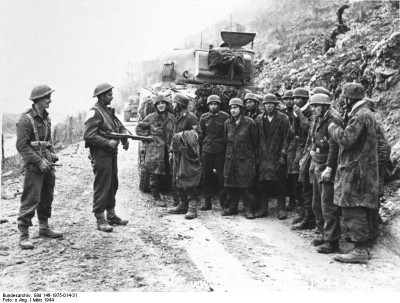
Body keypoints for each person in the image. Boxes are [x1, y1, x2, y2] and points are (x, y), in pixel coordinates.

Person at [329, 83, 379, 264]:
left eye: (345, 99)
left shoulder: (360, 115)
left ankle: (360, 250)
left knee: (352, 207)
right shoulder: (365, 113)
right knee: (358, 206)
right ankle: (362, 247)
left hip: (356, 170)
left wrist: (332, 128)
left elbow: (346, 139)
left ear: (349, 99)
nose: (344, 102)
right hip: (362, 168)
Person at [16, 84, 63, 249]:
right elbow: (22, 146)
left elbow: (47, 142)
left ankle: (43, 227)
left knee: (46, 196)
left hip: (48, 164)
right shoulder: (25, 120)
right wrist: (39, 161)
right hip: (34, 166)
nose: (50, 100)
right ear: (37, 100)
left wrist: (52, 154)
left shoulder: (46, 118)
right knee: (31, 198)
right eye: (46, 97)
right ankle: (23, 235)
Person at [83, 83, 129, 232]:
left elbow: (119, 125)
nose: (112, 97)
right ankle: (100, 218)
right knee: (102, 185)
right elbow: (89, 135)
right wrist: (107, 142)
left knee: (112, 184)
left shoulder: (108, 111)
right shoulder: (94, 112)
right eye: (109, 94)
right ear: (101, 96)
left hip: (111, 153)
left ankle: (111, 215)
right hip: (101, 154)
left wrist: (124, 136)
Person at [308, 93, 343, 253]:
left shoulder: (333, 120)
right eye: (313, 106)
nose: (313, 108)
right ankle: (323, 233)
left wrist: (329, 168)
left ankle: (332, 241)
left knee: (327, 204)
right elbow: (315, 139)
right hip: (317, 163)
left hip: (327, 166)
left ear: (325, 106)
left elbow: (335, 147)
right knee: (317, 203)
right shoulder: (319, 118)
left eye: (316, 106)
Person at [135, 95, 176, 207]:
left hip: (169, 149)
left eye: (163, 103)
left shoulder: (172, 117)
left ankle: (175, 198)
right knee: (155, 174)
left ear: (166, 105)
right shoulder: (150, 117)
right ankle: (156, 197)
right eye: (158, 104)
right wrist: (148, 137)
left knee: (171, 171)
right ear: (155, 106)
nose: (161, 105)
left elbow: (175, 131)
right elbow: (138, 129)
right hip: (155, 150)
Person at [254, 94, 290, 219]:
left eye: (271, 104)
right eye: (266, 104)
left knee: (280, 183)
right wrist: (257, 154)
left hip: (277, 154)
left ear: (276, 105)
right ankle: (263, 208)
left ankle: (281, 208)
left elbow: (287, 137)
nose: (268, 106)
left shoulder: (284, 118)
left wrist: (283, 153)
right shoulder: (259, 119)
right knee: (262, 183)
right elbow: (256, 138)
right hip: (263, 155)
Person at [222, 98, 258, 219]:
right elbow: (226, 140)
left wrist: (252, 157)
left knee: (246, 184)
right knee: (231, 184)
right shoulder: (227, 123)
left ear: (241, 109)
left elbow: (255, 142)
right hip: (231, 157)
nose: (233, 110)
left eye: (236, 107)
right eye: (231, 108)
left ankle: (249, 208)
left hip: (246, 158)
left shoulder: (249, 122)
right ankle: (232, 207)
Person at [168, 93, 202, 219]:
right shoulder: (177, 117)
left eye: (174, 102)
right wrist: (171, 151)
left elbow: (198, 133)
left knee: (189, 178)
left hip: (188, 154)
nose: (172, 105)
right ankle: (183, 205)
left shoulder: (190, 117)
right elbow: (173, 135)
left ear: (179, 104)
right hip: (178, 153)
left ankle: (192, 208)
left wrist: (181, 136)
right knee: (178, 178)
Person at [288, 88, 315, 231]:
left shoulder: (310, 111)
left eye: (299, 98)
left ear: (305, 99)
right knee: (296, 178)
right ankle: (303, 210)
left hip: (308, 146)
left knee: (305, 180)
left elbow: (308, 128)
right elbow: (293, 129)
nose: (295, 101)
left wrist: (299, 114)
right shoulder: (296, 110)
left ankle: (308, 215)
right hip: (298, 145)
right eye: (295, 98)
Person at [199, 95, 229, 211]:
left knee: (222, 177)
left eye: (215, 104)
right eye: (211, 104)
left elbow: (227, 133)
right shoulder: (204, 118)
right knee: (206, 176)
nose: (213, 106)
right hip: (207, 150)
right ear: (208, 106)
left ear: (219, 105)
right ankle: (207, 201)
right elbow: (201, 135)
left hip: (220, 150)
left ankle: (224, 202)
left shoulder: (225, 117)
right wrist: (202, 148)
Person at [282, 89, 301, 211]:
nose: (289, 101)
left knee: (296, 174)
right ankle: (291, 200)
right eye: (286, 99)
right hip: (286, 144)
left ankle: (298, 200)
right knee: (287, 174)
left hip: (297, 144)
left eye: (291, 99)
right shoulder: (283, 114)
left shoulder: (298, 113)